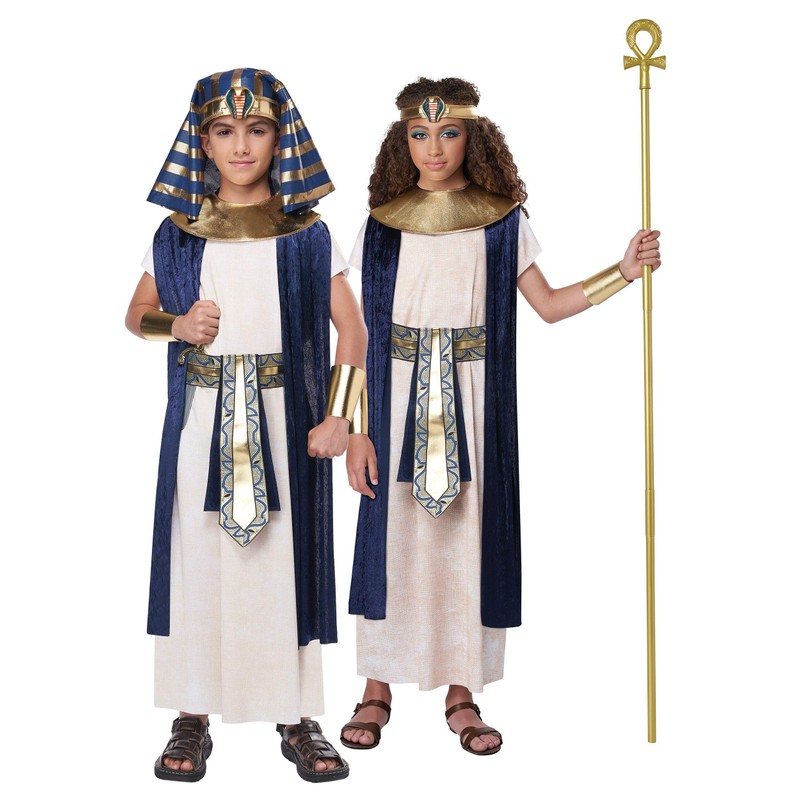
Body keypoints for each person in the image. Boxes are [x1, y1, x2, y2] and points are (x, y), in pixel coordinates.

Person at [340, 77, 661, 757]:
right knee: (393, 542)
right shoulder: (384, 223)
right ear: (403, 142)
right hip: (396, 401)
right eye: (420, 135)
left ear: (473, 138)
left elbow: (548, 305)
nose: (433, 148)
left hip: (475, 400)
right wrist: (358, 430)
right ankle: (376, 685)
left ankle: (462, 692)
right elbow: (361, 334)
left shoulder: (500, 221)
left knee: (467, 542)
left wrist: (623, 272)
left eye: (448, 133)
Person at [126, 67, 366, 783]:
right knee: (199, 562)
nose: (241, 146)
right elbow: (135, 315)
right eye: (225, 132)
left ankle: (297, 714)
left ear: (278, 139)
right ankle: (191, 714)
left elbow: (352, 330)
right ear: (202, 142)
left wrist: (338, 414)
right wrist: (177, 324)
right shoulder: (178, 233)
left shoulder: (306, 233)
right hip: (201, 424)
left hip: (283, 422)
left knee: (281, 563)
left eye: (256, 130)